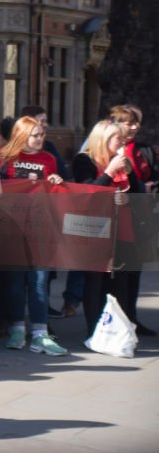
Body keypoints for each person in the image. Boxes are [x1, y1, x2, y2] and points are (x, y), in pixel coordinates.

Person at [0, 116, 68, 356]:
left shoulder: (49, 159)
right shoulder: (4, 159)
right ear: (22, 135)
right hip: (12, 228)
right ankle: (16, 327)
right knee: (14, 284)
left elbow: (55, 191)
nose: (40, 139)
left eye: (42, 135)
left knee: (39, 282)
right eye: (36, 135)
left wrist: (55, 182)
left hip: (40, 227)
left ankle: (39, 332)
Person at [73, 119, 143, 336]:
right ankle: (94, 330)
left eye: (123, 138)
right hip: (95, 229)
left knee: (122, 281)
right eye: (117, 138)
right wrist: (109, 172)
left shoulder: (121, 160)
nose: (122, 143)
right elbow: (87, 192)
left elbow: (138, 196)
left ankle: (119, 329)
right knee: (95, 280)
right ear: (103, 139)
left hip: (122, 228)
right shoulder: (84, 160)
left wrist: (128, 188)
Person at [108, 104, 155, 335]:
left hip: (140, 215)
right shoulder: (107, 149)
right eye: (129, 122)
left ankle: (131, 318)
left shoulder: (143, 149)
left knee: (134, 270)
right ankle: (112, 319)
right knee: (114, 273)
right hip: (114, 219)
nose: (134, 127)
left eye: (136, 123)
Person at [19, 105, 69, 179]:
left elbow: (62, 175)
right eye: (42, 121)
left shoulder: (49, 148)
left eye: (46, 121)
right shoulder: (9, 154)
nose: (46, 125)